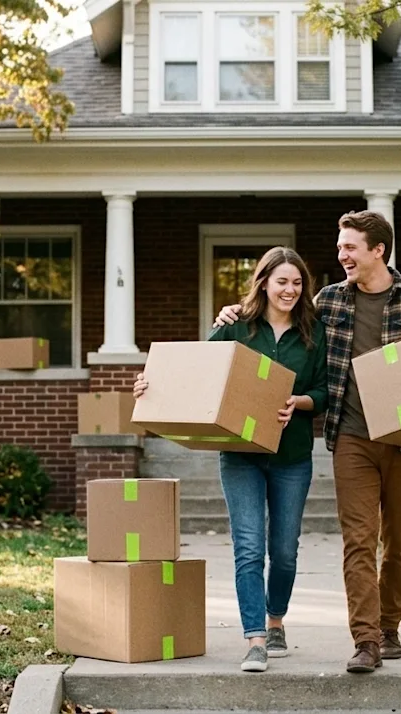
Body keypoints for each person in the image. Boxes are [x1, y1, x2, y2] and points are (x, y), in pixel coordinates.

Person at [215, 211, 401, 673]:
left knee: (400, 540)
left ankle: (389, 628)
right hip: (351, 436)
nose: (341, 254)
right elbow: (272, 315)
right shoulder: (329, 301)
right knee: (359, 541)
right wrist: (234, 311)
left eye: (349, 247)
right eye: (340, 246)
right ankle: (365, 640)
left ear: (377, 251)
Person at [134, 246, 328, 673]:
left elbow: (327, 391)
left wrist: (302, 401)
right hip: (239, 455)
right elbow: (196, 374)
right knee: (247, 548)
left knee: (285, 550)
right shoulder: (236, 327)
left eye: (297, 283)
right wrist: (151, 385)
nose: (290, 290)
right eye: (282, 282)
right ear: (263, 283)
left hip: (291, 455)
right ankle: (255, 638)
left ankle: (276, 620)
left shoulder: (314, 332)